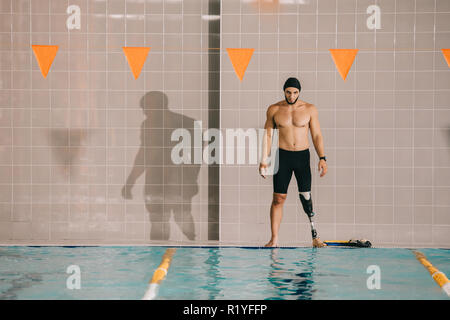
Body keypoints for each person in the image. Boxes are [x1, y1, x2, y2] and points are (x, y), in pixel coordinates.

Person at [259, 77, 327, 248]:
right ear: (284, 91)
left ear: (299, 92)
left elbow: (317, 135)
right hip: (282, 157)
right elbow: (268, 135)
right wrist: (263, 160)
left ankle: (315, 236)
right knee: (278, 198)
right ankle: (274, 239)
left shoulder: (309, 109)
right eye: (288, 92)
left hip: (302, 157)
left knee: (306, 196)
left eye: (295, 92)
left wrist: (322, 158)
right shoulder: (274, 109)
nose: (291, 96)